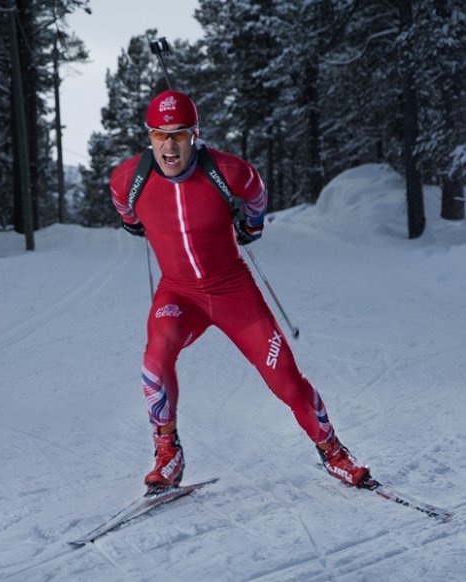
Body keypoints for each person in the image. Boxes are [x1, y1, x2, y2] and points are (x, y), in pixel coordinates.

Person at [110, 90, 369, 492]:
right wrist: (133, 222)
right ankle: (168, 453)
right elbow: (124, 208)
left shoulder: (228, 171)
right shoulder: (130, 178)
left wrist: (252, 225)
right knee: (153, 362)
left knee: (284, 377)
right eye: (159, 135)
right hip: (179, 294)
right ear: (149, 136)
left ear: (195, 134)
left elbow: (257, 194)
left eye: (178, 134)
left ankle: (333, 452)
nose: (168, 145)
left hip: (232, 291)